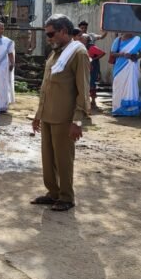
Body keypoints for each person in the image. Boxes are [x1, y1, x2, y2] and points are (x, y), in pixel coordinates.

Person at [31, 14, 90, 212]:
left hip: (64, 118)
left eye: (51, 34)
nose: (48, 38)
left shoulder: (78, 53)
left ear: (64, 31)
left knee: (63, 159)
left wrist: (78, 121)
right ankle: (53, 193)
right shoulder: (55, 53)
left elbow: (83, 89)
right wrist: (38, 114)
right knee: (48, 159)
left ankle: (66, 196)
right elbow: (46, 86)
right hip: (48, 115)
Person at [110, 33, 141, 117]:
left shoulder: (137, 39)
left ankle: (130, 110)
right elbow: (112, 53)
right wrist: (123, 54)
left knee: (131, 86)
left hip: (131, 66)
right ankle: (117, 109)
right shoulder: (117, 40)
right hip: (119, 67)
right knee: (118, 87)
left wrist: (135, 56)